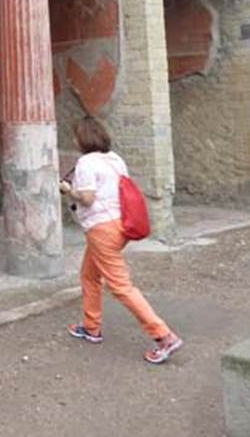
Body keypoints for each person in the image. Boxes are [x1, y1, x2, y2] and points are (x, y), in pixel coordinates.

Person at [59, 116, 183, 364]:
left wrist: (67, 190)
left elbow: (88, 198)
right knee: (89, 275)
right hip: (121, 225)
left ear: (82, 138)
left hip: (101, 228)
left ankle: (163, 336)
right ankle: (91, 327)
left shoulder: (85, 162)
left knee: (121, 286)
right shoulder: (115, 159)